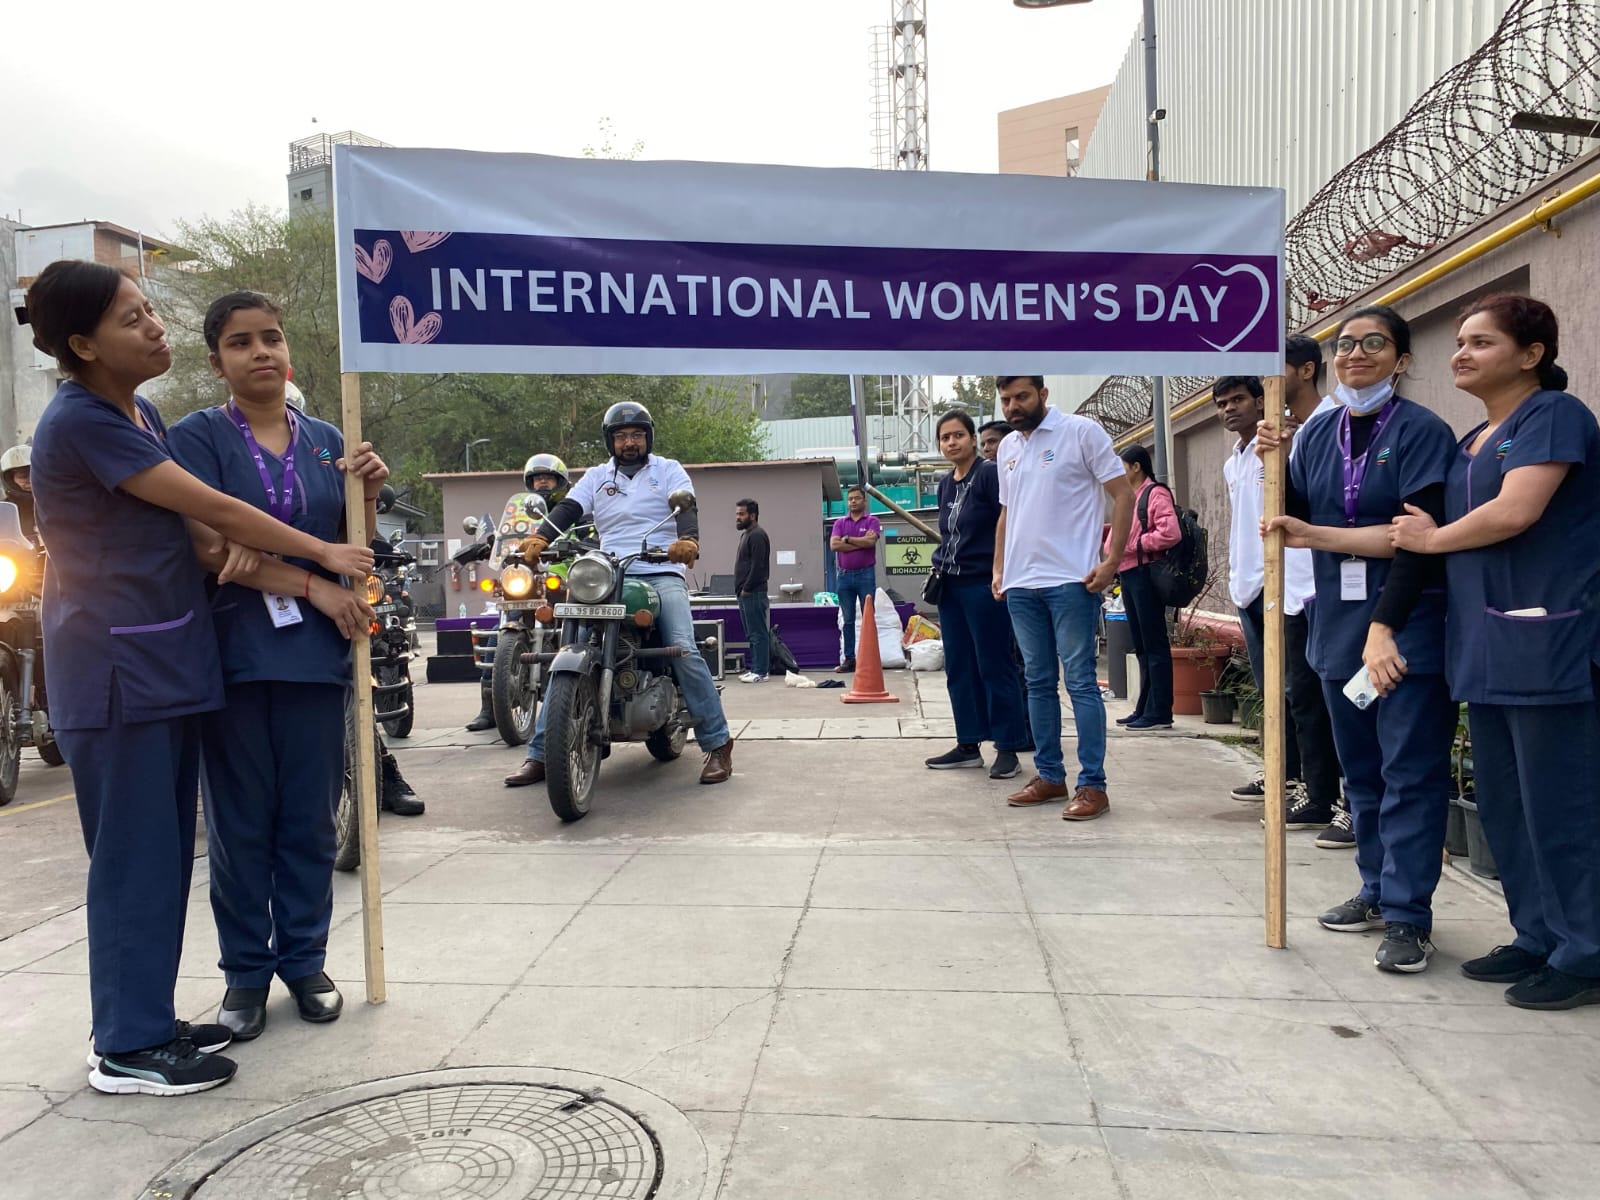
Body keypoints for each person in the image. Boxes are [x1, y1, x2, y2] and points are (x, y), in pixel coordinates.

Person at [24, 260, 372, 1095]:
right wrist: (319, 555)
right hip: (115, 669)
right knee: (134, 861)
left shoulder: (138, 412)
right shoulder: (83, 421)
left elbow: (201, 538)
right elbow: (209, 513)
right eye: (132, 318)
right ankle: (127, 1046)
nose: (154, 326)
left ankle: (147, 1019)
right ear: (83, 345)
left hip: (164, 663)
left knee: (164, 855)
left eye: (151, 310)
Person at [167, 290, 388, 1042]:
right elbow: (207, 545)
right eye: (240, 342)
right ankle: (245, 973)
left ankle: (305, 962)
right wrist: (309, 580)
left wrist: (370, 492)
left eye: (271, 337)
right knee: (240, 826)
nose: (260, 352)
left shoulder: (328, 440)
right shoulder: (197, 438)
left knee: (309, 820)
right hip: (231, 653)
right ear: (216, 362)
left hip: (315, 656)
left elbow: (353, 543)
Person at [1391, 294, 1600, 1010]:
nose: (1461, 353)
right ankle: (1536, 934)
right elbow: (1417, 530)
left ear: (1532, 354)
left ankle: (1586, 950)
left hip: (1547, 644)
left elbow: (1515, 511)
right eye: (1460, 341)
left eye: (1481, 342)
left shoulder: (1554, 416)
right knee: (1506, 806)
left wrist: (1431, 541)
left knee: (1561, 805)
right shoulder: (1471, 440)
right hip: (1485, 647)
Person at [1259, 305, 1456, 974]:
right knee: (1363, 774)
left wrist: (1385, 626)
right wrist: (1274, 458)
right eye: (1346, 344)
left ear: (1402, 359)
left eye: (1375, 343)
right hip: (1339, 632)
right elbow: (1293, 516)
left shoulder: (1422, 431)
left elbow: (1419, 542)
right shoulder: (1318, 434)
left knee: (1408, 775)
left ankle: (1408, 916)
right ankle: (1375, 888)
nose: (1357, 354)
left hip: (1401, 631)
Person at [507, 402, 735, 785]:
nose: (630, 442)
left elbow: (685, 507)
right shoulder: (597, 476)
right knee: (569, 648)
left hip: (660, 569)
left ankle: (717, 744)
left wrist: (688, 540)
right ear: (610, 441)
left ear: (648, 437)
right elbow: (569, 509)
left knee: (682, 647)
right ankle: (543, 753)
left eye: (637, 435)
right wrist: (540, 537)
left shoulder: (668, 470)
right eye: (622, 436)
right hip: (607, 571)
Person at [992, 375, 1133, 818]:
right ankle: (1050, 777)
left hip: (1072, 580)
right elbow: (1007, 513)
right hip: (1021, 584)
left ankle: (1092, 786)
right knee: (1037, 681)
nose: (1013, 407)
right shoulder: (1007, 447)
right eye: (1005, 400)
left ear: (1043, 394)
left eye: (1021, 397)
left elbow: (1123, 495)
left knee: (1080, 682)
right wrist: (999, 568)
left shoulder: (1080, 432)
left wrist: (1112, 561)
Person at [1221, 374, 1349, 847]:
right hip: (1251, 586)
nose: (1229, 409)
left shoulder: (1312, 434)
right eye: (1222, 403)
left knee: (1307, 694)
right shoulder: (1236, 460)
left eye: (1238, 399)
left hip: (1295, 584)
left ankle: (1326, 793)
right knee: (1276, 693)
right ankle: (1289, 776)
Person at [923, 410, 1029, 779]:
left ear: (972, 440)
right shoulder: (945, 484)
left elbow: (1009, 521)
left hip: (983, 585)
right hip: (950, 587)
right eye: (945, 437)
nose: (952, 442)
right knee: (959, 667)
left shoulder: (988, 474)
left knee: (994, 665)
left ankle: (1008, 747)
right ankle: (968, 744)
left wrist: (1002, 573)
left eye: (958, 435)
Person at [1280, 336, 1353, 849]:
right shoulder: (1285, 435)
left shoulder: (1339, 425)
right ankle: (1320, 793)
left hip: (1336, 587)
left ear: (1306, 370)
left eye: (1276, 369)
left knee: (1346, 703)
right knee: (1304, 699)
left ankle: (1353, 803)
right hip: (1291, 589)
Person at [466, 453, 572, 731]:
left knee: (578, 630)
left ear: (560, 482)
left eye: (548, 478)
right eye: (537, 479)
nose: (542, 483)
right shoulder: (522, 513)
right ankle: (489, 706)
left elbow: (590, 535)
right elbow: (511, 535)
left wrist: (582, 540)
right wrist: (490, 543)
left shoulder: (573, 511)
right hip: (528, 580)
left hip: (564, 582)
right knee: (501, 628)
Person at [1108, 444, 1179, 731]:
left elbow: (1170, 532)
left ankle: (1160, 711)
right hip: (1129, 572)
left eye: (1122, 467)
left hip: (1145, 573)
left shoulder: (1154, 493)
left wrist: (1134, 545)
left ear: (1136, 466)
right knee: (1141, 645)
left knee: (1154, 643)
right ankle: (1145, 707)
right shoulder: (1129, 496)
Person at [830, 484, 881, 672]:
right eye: (850, 499)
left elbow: (871, 541)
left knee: (868, 617)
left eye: (857, 498)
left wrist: (848, 540)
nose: (853, 501)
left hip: (865, 575)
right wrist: (861, 543)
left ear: (864, 501)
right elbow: (834, 546)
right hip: (844, 577)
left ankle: (869, 659)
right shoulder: (840, 523)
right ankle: (850, 659)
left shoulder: (872, 521)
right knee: (848, 620)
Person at [734, 497, 771, 682]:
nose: (738, 517)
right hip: (746, 593)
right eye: (737, 514)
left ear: (753, 515)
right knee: (751, 634)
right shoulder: (746, 534)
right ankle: (755, 668)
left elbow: (758, 566)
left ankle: (761, 671)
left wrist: (747, 588)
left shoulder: (757, 535)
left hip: (753, 593)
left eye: (742, 514)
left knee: (758, 633)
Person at [2, 444, 36, 542]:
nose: (30, 480)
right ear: (10, 480)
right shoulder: (5, 510)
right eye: (23, 476)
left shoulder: (57, 499)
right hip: (23, 551)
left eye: (33, 473)